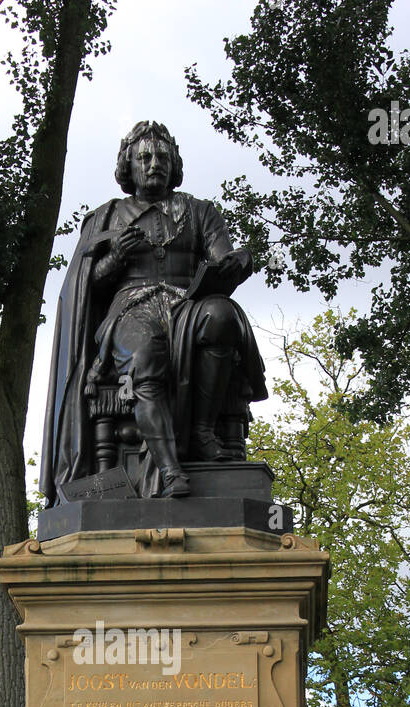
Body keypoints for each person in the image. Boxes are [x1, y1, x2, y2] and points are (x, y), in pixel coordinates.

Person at [40, 120, 267, 503]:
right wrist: (114, 260)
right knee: (144, 356)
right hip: (131, 308)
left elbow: (222, 259)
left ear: (174, 163)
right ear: (127, 166)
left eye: (162, 156)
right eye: (144, 157)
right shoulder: (106, 216)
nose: (154, 163)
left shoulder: (200, 212)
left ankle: (201, 431)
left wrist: (240, 261)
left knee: (223, 315)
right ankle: (169, 469)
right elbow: (85, 286)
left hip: (187, 303)